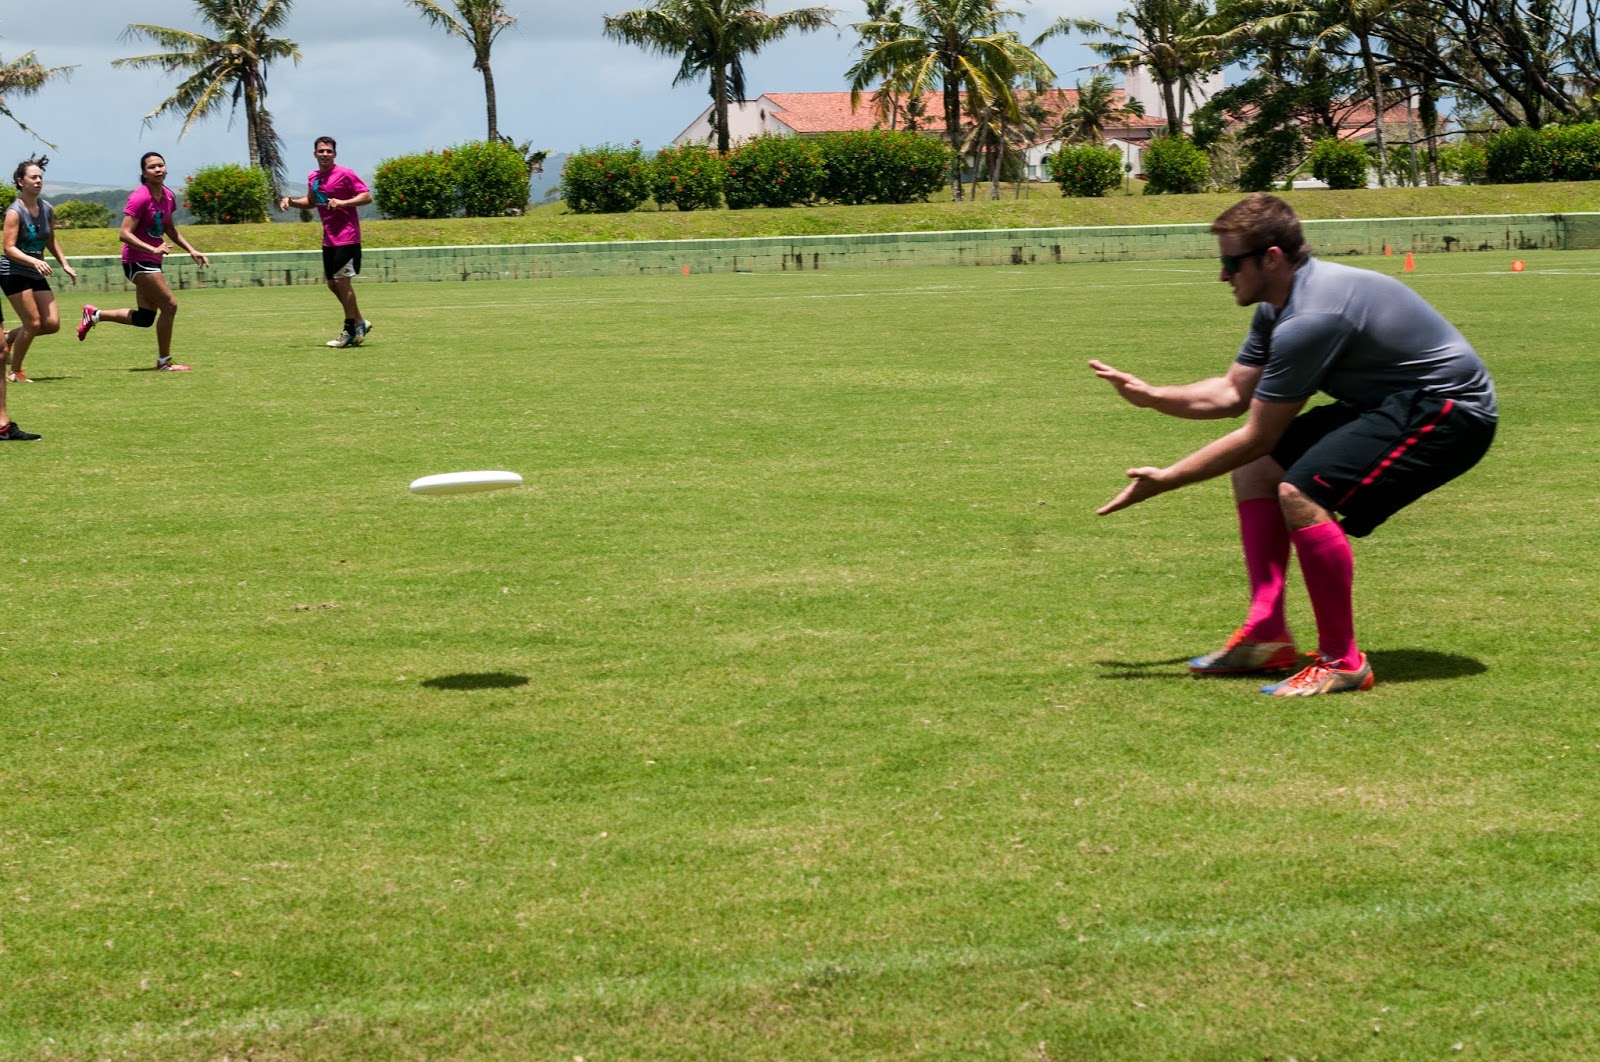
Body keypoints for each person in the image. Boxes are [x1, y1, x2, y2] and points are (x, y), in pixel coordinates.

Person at [1090, 193, 1497, 697]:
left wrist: (1167, 479)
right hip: (1389, 403)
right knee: (1259, 470)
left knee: (1299, 492)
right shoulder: (1276, 306)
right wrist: (1153, 396)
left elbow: (1258, 433)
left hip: (1450, 413)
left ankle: (1342, 662)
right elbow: (1231, 393)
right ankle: (1267, 636)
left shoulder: (1312, 316)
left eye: (1230, 263)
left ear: (1271, 258)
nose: (1222, 276)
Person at [76, 152, 209, 371]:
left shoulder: (168, 196)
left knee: (145, 318)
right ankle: (164, 362)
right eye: (152, 167)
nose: (158, 169)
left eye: (161, 165)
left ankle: (94, 315)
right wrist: (152, 248)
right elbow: (124, 233)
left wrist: (192, 250)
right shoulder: (140, 197)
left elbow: (170, 229)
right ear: (144, 173)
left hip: (153, 260)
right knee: (170, 305)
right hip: (136, 260)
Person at [277, 136, 374, 349]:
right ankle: (359, 321)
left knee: (342, 282)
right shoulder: (313, 177)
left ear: (335, 154)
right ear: (315, 154)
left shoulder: (345, 174)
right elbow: (312, 202)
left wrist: (343, 202)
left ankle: (349, 331)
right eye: (321, 151)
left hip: (347, 237)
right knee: (332, 284)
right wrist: (291, 201)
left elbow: (367, 196)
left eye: (329, 151)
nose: (325, 154)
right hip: (329, 239)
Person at [3, 155, 77, 384]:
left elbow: (50, 240)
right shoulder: (14, 212)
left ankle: (7, 337)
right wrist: (34, 261)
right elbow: (8, 248)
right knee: (33, 323)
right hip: (13, 271)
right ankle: (15, 371)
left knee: (52, 324)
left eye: (40, 178)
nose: (38, 181)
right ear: (20, 181)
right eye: (33, 177)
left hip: (35, 271)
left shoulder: (47, 209)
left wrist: (65, 264)